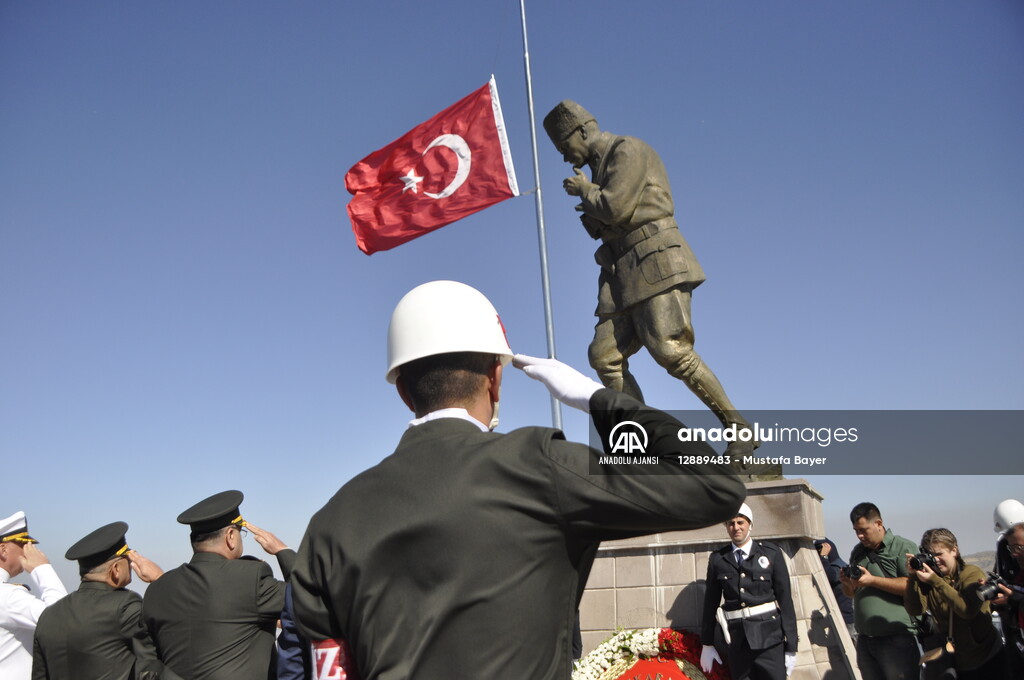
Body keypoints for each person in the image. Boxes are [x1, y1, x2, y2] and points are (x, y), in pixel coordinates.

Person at [290, 280, 746, 680]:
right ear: (495, 378)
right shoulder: (537, 466)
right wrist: (599, 400)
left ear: (405, 390)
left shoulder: (331, 523)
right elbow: (714, 485)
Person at [543, 101, 758, 459]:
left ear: (581, 131)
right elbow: (599, 227)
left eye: (566, 148)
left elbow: (614, 208)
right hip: (620, 272)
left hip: (656, 259)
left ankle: (739, 430)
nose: (568, 159)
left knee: (671, 350)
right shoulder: (598, 170)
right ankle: (644, 444)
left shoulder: (627, 150)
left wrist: (586, 193)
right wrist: (594, 204)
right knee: (603, 355)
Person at [142, 490, 296, 679]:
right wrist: (283, 551)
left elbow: (147, 662)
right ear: (230, 536)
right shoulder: (250, 578)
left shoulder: (157, 589)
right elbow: (307, 598)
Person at [32, 522, 165, 680]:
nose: (131, 564)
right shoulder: (125, 606)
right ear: (115, 569)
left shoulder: (49, 614)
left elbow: (39, 675)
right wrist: (161, 581)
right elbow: (156, 658)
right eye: (127, 559)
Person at [700, 503, 797, 679]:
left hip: (770, 640)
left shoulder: (771, 553)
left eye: (740, 522)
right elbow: (710, 603)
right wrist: (707, 644)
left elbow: (785, 600)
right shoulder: (718, 559)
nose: (736, 527)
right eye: (731, 523)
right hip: (737, 642)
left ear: (750, 525)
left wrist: (791, 646)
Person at [904, 528, 1006, 679]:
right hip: (956, 660)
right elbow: (915, 609)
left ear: (954, 551)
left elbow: (967, 610)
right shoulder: (931, 580)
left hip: (986, 657)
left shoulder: (971, 574)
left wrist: (935, 581)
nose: (936, 560)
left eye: (939, 554)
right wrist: (912, 577)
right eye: (931, 556)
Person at [840, 502, 919, 680]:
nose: (860, 536)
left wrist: (872, 580)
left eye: (863, 530)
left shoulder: (902, 547)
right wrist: (847, 584)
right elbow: (852, 593)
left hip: (896, 638)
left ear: (878, 523)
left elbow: (912, 587)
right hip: (865, 639)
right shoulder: (858, 552)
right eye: (856, 531)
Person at [0, 512, 67, 680]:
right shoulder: (8, 597)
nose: (29, 550)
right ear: (3, 549)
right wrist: (42, 569)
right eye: (23, 545)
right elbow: (62, 618)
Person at [992, 499, 1024, 678]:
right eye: (1012, 548)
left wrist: (1013, 598)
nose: (1014, 554)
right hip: (1015, 630)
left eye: (1018, 548)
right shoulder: (1004, 547)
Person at [814, 538, 856, 642]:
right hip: (848, 617)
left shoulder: (838, 567)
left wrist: (823, 557)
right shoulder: (841, 564)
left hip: (848, 619)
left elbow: (830, 577)